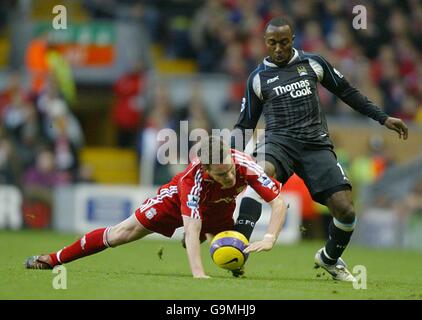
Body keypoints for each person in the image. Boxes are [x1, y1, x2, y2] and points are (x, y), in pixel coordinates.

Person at [231, 17, 409, 282]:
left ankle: (328, 259)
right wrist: (227, 158)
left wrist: (382, 117)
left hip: (316, 145)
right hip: (278, 142)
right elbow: (245, 125)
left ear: (292, 40)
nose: (278, 48)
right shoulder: (258, 78)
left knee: (346, 210)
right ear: (265, 43)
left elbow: (347, 92)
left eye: (283, 42)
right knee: (261, 173)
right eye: (272, 43)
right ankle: (237, 248)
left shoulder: (313, 63)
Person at [25, 137, 287, 279]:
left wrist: (269, 237)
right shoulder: (191, 180)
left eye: (229, 170)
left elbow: (278, 203)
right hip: (173, 205)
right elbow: (191, 225)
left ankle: (217, 243)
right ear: (206, 171)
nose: (230, 178)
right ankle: (54, 259)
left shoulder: (243, 164)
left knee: (235, 256)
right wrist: (198, 274)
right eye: (221, 175)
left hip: (219, 207)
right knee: (120, 234)